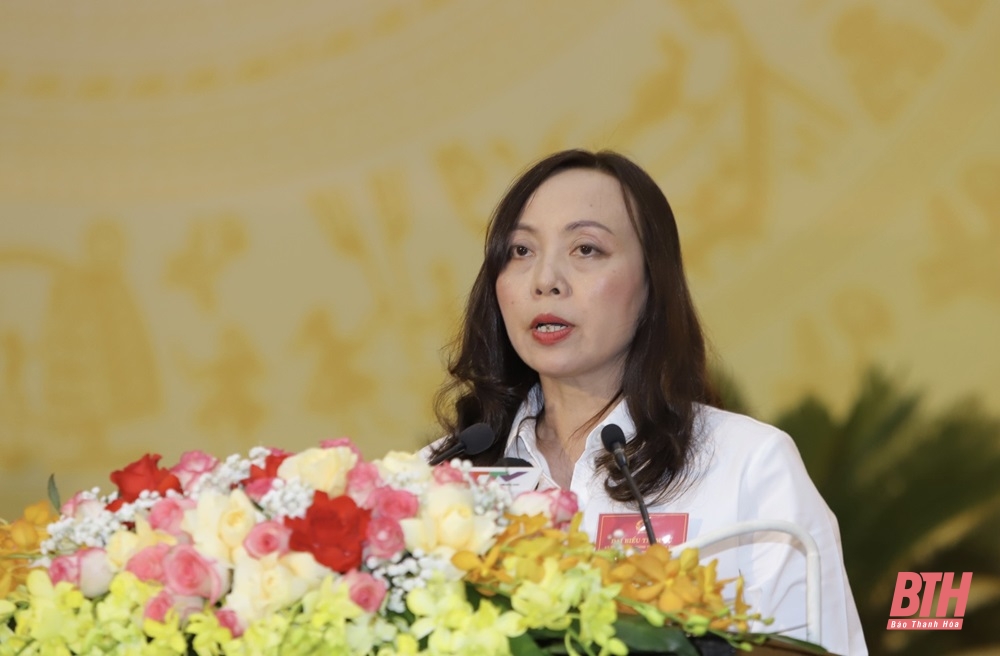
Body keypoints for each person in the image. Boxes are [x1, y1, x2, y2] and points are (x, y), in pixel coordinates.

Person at [426, 149, 867, 655]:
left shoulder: (748, 466)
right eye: (520, 251)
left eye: (586, 249)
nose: (545, 280)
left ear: (653, 284)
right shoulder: (437, 484)